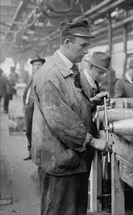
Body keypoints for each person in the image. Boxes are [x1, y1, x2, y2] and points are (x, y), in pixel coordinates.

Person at [31, 19, 111, 215]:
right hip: (59, 161)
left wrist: (91, 102)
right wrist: (92, 141)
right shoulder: (50, 75)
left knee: (75, 210)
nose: (86, 51)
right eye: (83, 46)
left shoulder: (72, 70)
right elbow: (61, 121)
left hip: (73, 159)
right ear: (67, 43)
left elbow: (70, 104)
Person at [22, 58, 45, 160]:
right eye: (35, 65)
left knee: (39, 131)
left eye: (39, 64)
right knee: (28, 130)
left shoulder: (44, 77)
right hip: (28, 107)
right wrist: (25, 104)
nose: (36, 67)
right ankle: (30, 152)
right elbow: (25, 91)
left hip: (38, 107)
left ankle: (39, 154)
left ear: (43, 65)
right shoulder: (30, 77)